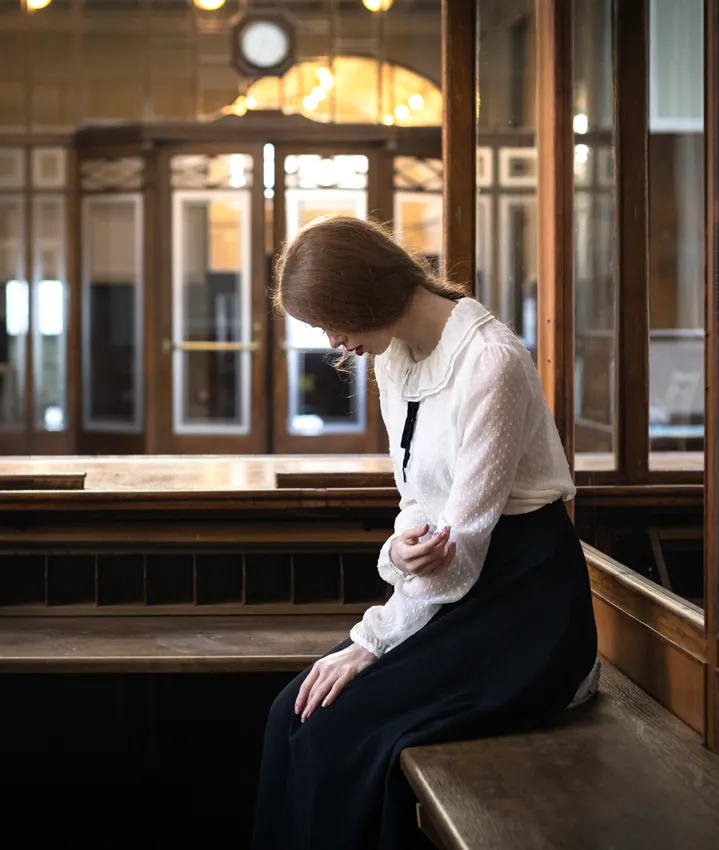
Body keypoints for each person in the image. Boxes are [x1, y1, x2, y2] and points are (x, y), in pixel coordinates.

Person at [253, 215, 601, 850]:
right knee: (291, 712)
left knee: (339, 735)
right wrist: (397, 550)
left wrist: (372, 641)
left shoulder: (492, 361)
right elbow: (418, 500)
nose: (333, 339)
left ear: (366, 297)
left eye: (333, 319)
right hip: (447, 589)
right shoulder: (394, 357)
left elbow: (462, 554)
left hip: (525, 603)